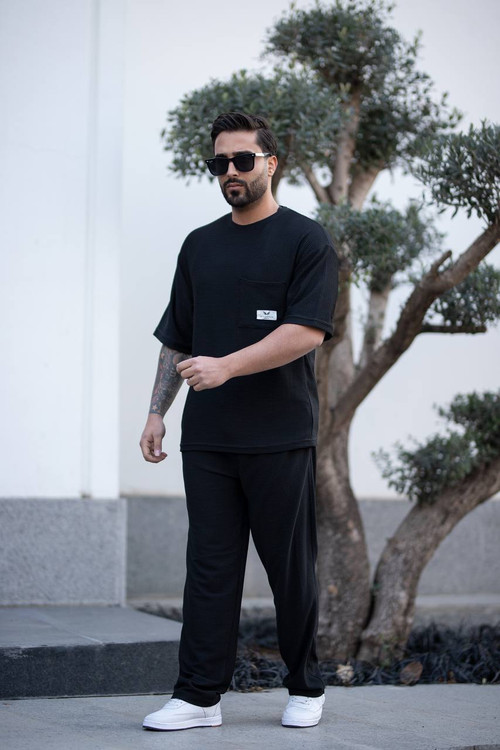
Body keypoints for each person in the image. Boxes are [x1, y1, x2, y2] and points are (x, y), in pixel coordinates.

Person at [139, 112, 338, 731]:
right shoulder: (199, 245)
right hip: (208, 440)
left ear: (270, 163)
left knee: (290, 571)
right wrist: (156, 411)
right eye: (219, 163)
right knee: (210, 569)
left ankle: (306, 687)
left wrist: (226, 366)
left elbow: (305, 332)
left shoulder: (306, 240)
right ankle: (199, 697)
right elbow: (178, 336)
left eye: (242, 160)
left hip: (280, 436)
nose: (230, 171)